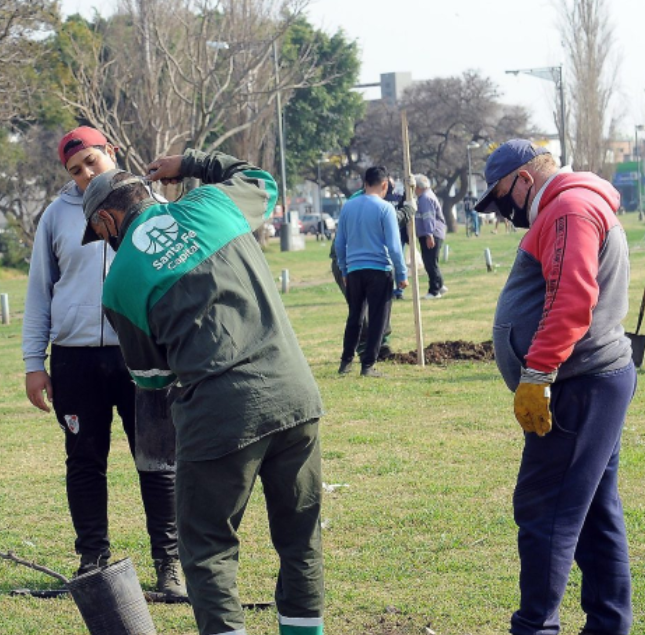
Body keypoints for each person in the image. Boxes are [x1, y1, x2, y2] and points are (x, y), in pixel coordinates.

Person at [81, 150, 325, 635]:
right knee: (300, 540)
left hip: (219, 415)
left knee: (209, 550)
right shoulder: (214, 204)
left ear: (108, 219)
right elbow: (259, 180)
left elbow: (151, 376)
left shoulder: (119, 282)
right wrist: (192, 163)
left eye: (99, 234)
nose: (103, 243)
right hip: (296, 397)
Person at [475, 139, 636, 635]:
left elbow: (571, 298)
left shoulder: (568, 207)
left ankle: (536, 626)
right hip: (589, 380)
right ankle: (609, 625)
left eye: (501, 195)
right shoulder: (571, 204)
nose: (503, 211)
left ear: (524, 179)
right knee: (592, 512)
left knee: (545, 510)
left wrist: (538, 372)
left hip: (578, 383)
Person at [21, 126, 184, 595]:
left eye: (92, 161)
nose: (85, 174)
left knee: (158, 461)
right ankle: (92, 562)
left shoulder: (151, 204)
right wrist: (35, 362)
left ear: (110, 152)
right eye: (74, 170)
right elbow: (39, 293)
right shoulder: (56, 216)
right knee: (84, 461)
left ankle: (169, 568)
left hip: (142, 355)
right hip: (75, 361)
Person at [334, 166, 408, 378]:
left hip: (355, 271)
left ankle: (346, 362)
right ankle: (368, 365)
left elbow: (340, 243)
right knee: (377, 319)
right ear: (384, 185)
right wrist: (402, 274)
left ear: (364, 183)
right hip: (379, 270)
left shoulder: (347, 207)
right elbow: (394, 246)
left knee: (355, 317)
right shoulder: (385, 209)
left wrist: (345, 269)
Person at [414, 174, 447, 299]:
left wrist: (429, 235)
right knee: (432, 261)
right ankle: (440, 284)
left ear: (418, 187)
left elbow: (429, 218)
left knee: (430, 262)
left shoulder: (425, 198)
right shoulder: (427, 196)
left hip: (431, 233)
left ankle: (434, 290)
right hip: (433, 233)